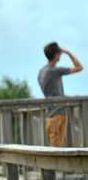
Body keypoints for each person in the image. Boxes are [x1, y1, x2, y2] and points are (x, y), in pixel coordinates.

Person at [38, 42, 83, 179]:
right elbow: (79, 67)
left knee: (55, 148)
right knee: (57, 151)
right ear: (57, 55)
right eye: (60, 53)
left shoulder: (42, 71)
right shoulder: (54, 71)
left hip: (50, 114)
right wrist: (68, 52)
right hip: (58, 114)